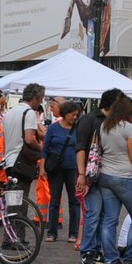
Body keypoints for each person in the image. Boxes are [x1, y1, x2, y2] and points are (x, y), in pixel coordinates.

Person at [96, 92, 132, 264]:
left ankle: (111, 259)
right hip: (124, 177)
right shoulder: (129, 128)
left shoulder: (104, 126)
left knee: (110, 219)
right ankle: (131, 258)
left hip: (105, 175)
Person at [75, 89, 122, 264]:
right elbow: (80, 148)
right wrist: (81, 174)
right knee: (93, 213)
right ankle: (87, 250)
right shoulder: (88, 120)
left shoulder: (116, 122)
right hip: (90, 174)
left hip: (108, 174)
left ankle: (96, 250)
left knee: (104, 215)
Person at [43, 100, 82, 242]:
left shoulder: (78, 129)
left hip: (73, 169)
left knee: (74, 201)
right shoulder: (53, 128)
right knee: (54, 200)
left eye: (76, 115)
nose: (75, 117)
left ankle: (73, 233)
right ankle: (52, 232)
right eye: (73, 115)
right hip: (56, 169)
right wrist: (42, 168)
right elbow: (45, 149)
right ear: (65, 114)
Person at [1, 84, 45, 190]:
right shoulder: (29, 113)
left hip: (9, 160)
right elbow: (29, 139)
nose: (41, 103)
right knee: (21, 202)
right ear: (35, 98)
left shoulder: (9, 112)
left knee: (13, 199)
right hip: (21, 162)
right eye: (41, 100)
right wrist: (41, 149)